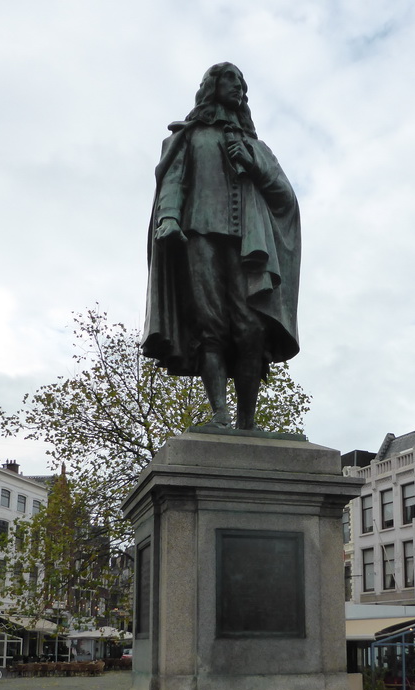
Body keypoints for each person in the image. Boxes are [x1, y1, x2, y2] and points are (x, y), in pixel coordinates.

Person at [141, 63, 301, 430]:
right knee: (210, 327)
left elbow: (285, 197)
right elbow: (174, 182)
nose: (240, 91)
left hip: (250, 244)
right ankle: (220, 416)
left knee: (251, 329)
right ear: (212, 87)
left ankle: (247, 421)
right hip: (199, 235)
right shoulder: (190, 136)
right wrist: (168, 218)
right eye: (233, 83)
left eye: (244, 87)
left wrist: (254, 165)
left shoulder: (255, 146)